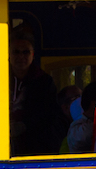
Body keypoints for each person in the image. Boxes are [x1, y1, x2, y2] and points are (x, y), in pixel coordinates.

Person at [8, 24, 64, 157]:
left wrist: (23, 125)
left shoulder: (44, 82)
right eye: (16, 51)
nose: (21, 56)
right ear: (8, 54)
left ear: (33, 55)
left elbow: (49, 116)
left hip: (37, 150)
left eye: (25, 52)